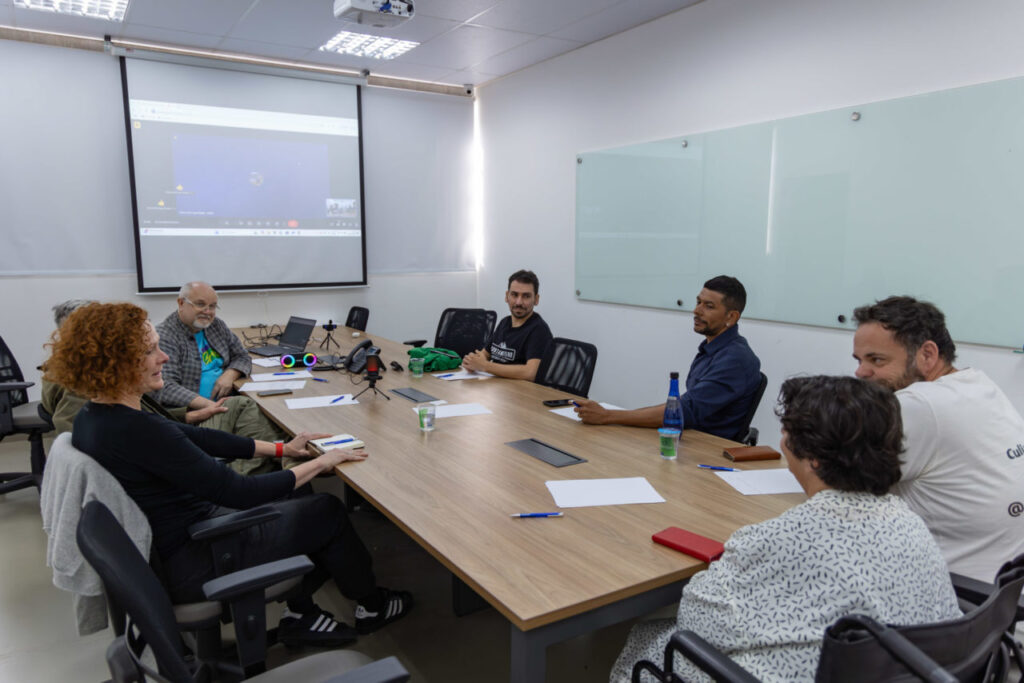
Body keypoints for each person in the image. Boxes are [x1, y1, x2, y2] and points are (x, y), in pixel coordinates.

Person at [44, 303, 412, 644]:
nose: (164, 357)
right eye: (151, 351)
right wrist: (321, 462)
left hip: (179, 537)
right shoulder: (138, 430)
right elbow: (240, 492)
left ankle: (302, 612)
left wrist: (283, 449)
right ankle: (372, 606)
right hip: (196, 555)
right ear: (119, 363)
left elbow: (200, 437)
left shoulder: (95, 417)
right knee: (327, 511)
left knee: (297, 493)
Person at [610, 376, 961, 682]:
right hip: (908, 668)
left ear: (812, 456)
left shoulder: (779, 538)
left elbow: (697, 619)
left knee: (648, 637)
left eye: (786, 431)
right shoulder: (910, 520)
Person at [852, 295, 1024, 582]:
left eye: (876, 359)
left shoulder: (918, 403)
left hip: (954, 591)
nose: (860, 372)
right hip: (1002, 591)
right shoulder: (978, 384)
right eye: (859, 360)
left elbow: (838, 492)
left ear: (928, 355)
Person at [41, 299, 296, 474]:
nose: (162, 357)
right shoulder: (86, 393)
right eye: (150, 349)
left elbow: (155, 423)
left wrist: (189, 414)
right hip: (195, 480)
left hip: (176, 429)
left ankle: (276, 458)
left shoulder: (110, 390)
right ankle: (257, 470)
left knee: (241, 405)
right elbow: (82, 443)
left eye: (212, 305)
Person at [575, 275, 761, 439]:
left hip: (707, 449)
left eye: (709, 306)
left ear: (731, 317)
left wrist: (608, 416)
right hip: (689, 437)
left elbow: (683, 411)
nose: (697, 311)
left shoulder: (735, 360)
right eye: (698, 302)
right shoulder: (713, 348)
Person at [154, 281, 251, 408]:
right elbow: (165, 386)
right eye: (200, 304)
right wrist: (213, 407)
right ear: (181, 303)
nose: (207, 311)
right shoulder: (165, 336)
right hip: (197, 411)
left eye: (212, 306)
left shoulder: (216, 325)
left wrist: (230, 374)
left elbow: (242, 356)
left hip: (228, 401)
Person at [462, 269, 553, 381]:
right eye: (514, 295)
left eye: (526, 296)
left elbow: (531, 373)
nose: (519, 302)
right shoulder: (504, 322)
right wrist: (472, 361)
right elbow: (485, 354)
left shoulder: (539, 330)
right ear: (507, 296)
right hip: (496, 386)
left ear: (536, 299)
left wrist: (485, 366)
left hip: (519, 390)